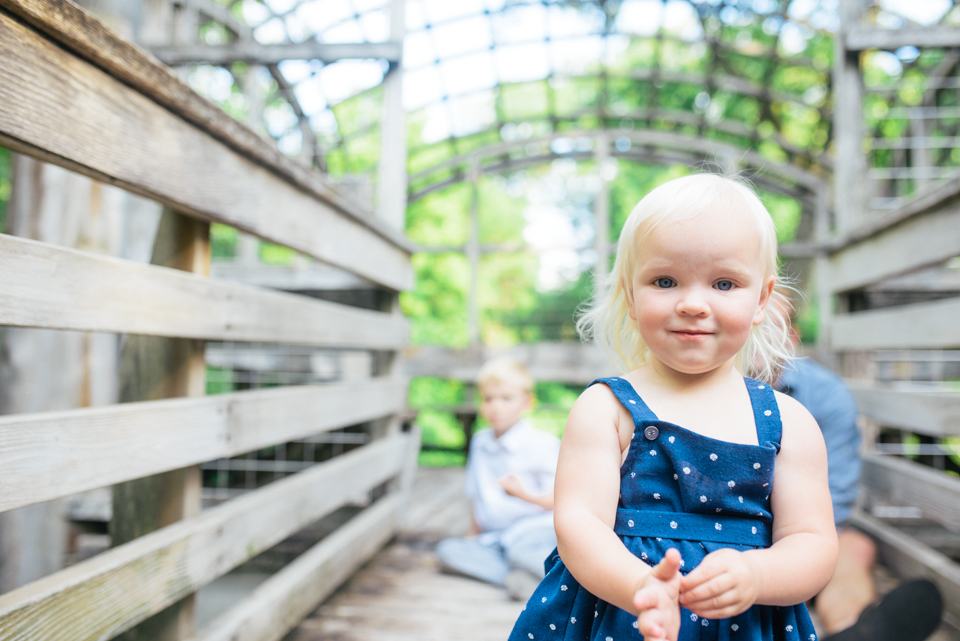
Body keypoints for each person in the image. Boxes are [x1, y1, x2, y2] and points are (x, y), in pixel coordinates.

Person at [509, 173, 839, 641]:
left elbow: (814, 545)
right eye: (665, 281)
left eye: (724, 284)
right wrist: (641, 587)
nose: (692, 304)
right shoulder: (606, 409)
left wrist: (759, 574)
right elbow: (579, 524)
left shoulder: (788, 423)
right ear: (629, 294)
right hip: (620, 616)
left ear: (762, 299)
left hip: (741, 625)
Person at [775, 337, 943, 641]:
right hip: (731, 537)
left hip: (801, 533)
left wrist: (796, 542)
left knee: (854, 545)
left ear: (791, 336)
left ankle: (854, 631)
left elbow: (836, 495)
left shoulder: (823, 393)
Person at [435, 357, 561, 598]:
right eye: (488, 399)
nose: (496, 407)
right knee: (448, 551)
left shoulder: (541, 444)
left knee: (520, 552)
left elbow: (562, 499)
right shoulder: (480, 441)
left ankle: (553, 583)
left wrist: (522, 495)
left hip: (535, 531)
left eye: (506, 399)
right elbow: (476, 494)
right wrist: (472, 537)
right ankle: (521, 580)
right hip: (497, 539)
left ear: (527, 402)